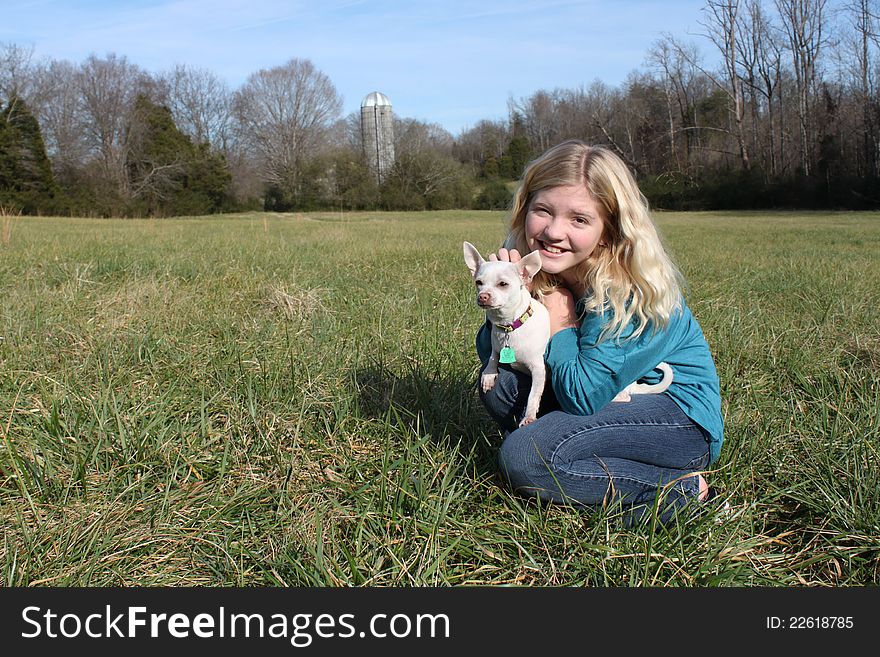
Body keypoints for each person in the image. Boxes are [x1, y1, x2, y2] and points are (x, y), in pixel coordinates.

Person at [476, 140, 724, 523]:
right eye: (543, 211)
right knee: (501, 386)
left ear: (609, 230)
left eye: (579, 219)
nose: (554, 231)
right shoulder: (538, 273)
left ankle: (679, 489)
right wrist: (507, 300)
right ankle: (573, 454)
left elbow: (583, 394)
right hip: (612, 400)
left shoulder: (631, 293)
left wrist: (559, 316)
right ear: (525, 211)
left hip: (675, 418)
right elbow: (497, 352)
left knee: (524, 457)